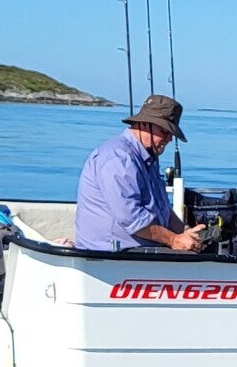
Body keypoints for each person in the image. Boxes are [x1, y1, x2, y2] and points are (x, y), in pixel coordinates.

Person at [73, 94, 210, 253]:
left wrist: (184, 232)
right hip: (111, 254)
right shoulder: (118, 159)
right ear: (145, 124)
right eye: (165, 131)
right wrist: (173, 239)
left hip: (141, 249)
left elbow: (162, 208)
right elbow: (132, 219)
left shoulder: (148, 156)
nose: (169, 139)